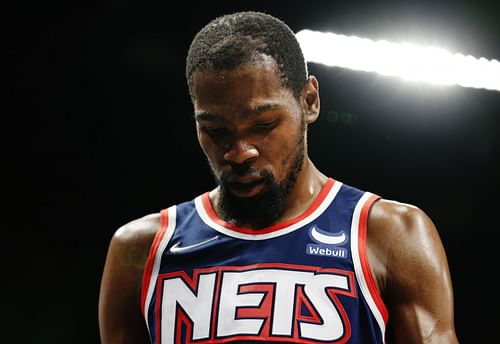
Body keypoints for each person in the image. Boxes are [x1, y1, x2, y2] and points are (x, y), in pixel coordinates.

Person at [98, 10, 459, 344]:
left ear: (310, 101)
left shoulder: (390, 234)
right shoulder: (142, 250)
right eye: (215, 130)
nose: (239, 153)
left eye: (263, 125)